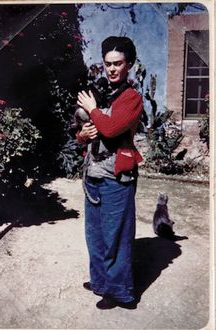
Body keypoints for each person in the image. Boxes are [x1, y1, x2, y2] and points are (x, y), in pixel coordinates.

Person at [76, 36, 143, 310]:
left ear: (129, 64)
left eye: (118, 63)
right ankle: (102, 283)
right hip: (93, 173)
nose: (112, 69)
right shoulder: (101, 91)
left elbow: (113, 128)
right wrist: (83, 133)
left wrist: (93, 110)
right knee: (95, 235)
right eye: (107, 64)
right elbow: (83, 133)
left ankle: (122, 292)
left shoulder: (132, 97)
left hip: (117, 177)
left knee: (116, 236)